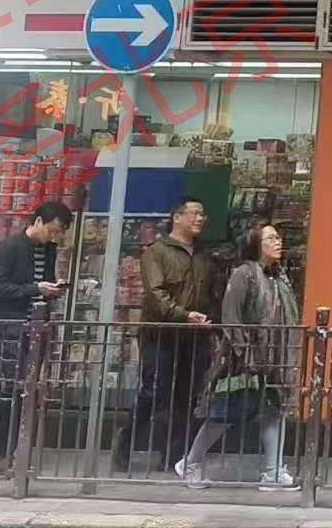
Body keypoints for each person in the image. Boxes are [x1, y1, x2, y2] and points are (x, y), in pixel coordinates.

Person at [174, 223, 300, 490]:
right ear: (256, 244)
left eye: (278, 237)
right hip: (246, 359)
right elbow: (231, 316)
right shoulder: (244, 273)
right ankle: (190, 463)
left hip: (275, 358)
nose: (278, 242)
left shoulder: (279, 276)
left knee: (273, 410)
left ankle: (273, 472)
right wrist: (244, 352)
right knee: (225, 412)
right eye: (270, 238)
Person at [0, 201, 72, 476]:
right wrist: (34, 288)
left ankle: (1, 451)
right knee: (16, 385)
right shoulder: (8, 248)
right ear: (38, 221)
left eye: (60, 233)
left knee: (19, 389)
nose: (55, 236)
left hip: (33, 326)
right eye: (53, 230)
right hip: (6, 327)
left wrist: (52, 289)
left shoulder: (48, 250)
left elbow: (40, 285)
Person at [111, 197, 214, 474]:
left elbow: (210, 292)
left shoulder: (203, 255)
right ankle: (126, 441)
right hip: (161, 332)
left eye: (202, 214)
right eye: (194, 213)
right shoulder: (156, 251)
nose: (200, 219)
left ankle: (174, 454)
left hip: (194, 335)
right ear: (176, 217)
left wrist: (207, 320)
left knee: (187, 395)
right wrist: (183, 315)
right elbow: (156, 293)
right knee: (154, 390)